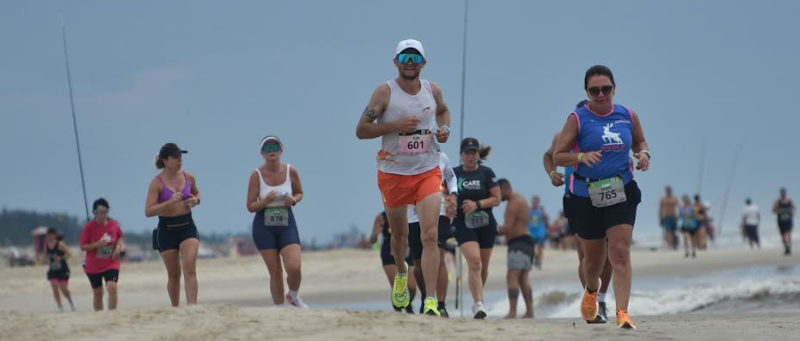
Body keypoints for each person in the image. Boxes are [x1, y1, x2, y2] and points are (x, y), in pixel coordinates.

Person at [553, 65, 650, 329]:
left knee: (619, 252)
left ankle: (623, 312)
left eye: (606, 89)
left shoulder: (627, 115)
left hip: (622, 191)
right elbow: (557, 155)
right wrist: (581, 157)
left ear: (614, 89)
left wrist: (644, 155)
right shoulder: (578, 118)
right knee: (593, 261)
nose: (601, 94)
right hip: (586, 196)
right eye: (594, 90)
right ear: (587, 91)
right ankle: (592, 292)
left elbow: (640, 142)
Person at [543, 99, 613, 324]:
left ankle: (601, 299)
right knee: (584, 254)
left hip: (604, 193)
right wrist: (553, 174)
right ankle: (591, 300)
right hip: (574, 198)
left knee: (608, 255)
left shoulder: (602, 135)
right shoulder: (562, 137)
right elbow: (548, 156)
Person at [247, 136, 308, 308]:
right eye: (267, 148)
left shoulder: (290, 170)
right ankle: (280, 309)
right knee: (275, 272)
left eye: (275, 147)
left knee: (294, 267)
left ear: (281, 150)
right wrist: (265, 201)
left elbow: (300, 193)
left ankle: (294, 296)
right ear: (262, 153)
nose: (271, 150)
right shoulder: (256, 175)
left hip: (287, 223)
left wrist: (294, 200)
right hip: (263, 225)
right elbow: (250, 206)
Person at [145, 142, 201, 307]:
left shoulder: (188, 177)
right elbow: (148, 211)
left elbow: (197, 192)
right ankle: (175, 307)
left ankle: (192, 307)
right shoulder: (156, 183)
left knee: (189, 268)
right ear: (165, 160)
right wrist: (168, 203)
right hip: (166, 229)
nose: (179, 160)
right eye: (175, 157)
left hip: (187, 226)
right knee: (174, 274)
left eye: (180, 156)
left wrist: (195, 200)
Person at [453, 137, 502, 319]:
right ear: (461, 155)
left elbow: (497, 198)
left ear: (478, 154)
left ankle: (478, 297)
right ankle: (479, 305)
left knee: (483, 267)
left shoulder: (486, 173)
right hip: (462, 224)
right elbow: (445, 194)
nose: (470, 156)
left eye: (474, 152)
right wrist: (450, 205)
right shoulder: (454, 173)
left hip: (486, 223)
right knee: (474, 262)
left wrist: (478, 204)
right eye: (467, 153)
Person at [407, 151, 458, 317]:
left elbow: (451, 177)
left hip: (439, 211)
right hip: (412, 213)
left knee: (440, 256)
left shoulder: (441, 156)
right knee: (418, 263)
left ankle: (440, 304)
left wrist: (454, 195)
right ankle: (426, 297)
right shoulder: (405, 153)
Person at [497, 179, 534, 319]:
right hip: (526, 243)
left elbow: (507, 228)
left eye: (498, 192)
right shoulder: (521, 199)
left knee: (512, 276)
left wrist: (488, 230)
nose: (497, 196)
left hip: (519, 243)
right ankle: (530, 312)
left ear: (505, 189)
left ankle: (512, 312)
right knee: (523, 279)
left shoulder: (513, 203)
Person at [80, 198, 124, 311]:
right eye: (101, 212)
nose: (103, 215)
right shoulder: (89, 228)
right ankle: (99, 315)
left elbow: (120, 237)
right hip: (93, 265)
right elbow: (83, 246)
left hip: (111, 262)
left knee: (112, 287)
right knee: (98, 293)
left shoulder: (114, 225)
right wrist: (97, 244)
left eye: (106, 212)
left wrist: (118, 248)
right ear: (95, 212)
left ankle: (112, 313)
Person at [370, 211, 418, 313]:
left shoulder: (412, 213)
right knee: (398, 285)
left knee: (412, 286)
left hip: (408, 250)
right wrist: (375, 235)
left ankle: (407, 303)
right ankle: (400, 306)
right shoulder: (382, 217)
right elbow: (372, 239)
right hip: (390, 253)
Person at [42, 228, 75, 312]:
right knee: (54, 287)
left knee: (64, 289)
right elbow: (45, 256)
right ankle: (60, 306)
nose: (49, 237)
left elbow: (69, 253)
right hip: (53, 269)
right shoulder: (46, 244)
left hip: (63, 269)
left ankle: (70, 301)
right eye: (48, 235)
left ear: (54, 235)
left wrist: (60, 258)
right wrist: (45, 260)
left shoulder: (60, 244)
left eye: (51, 235)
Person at [773, 188, 795, 255]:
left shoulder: (789, 201)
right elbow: (774, 210)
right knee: (784, 234)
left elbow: (794, 208)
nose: (783, 194)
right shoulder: (778, 201)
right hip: (781, 220)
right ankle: (787, 247)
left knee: (788, 234)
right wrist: (780, 211)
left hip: (788, 220)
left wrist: (792, 213)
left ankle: (788, 247)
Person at [528, 196, 548, 269]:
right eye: (533, 202)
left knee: (539, 248)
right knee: (532, 249)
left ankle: (539, 261)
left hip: (540, 232)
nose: (534, 203)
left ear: (538, 203)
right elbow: (527, 220)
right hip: (531, 232)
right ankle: (536, 258)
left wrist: (547, 231)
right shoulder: (529, 211)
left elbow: (546, 221)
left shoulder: (541, 211)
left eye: (536, 202)